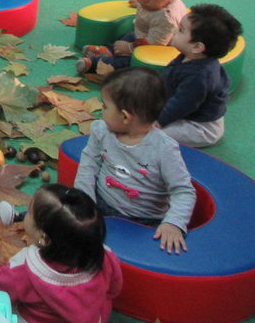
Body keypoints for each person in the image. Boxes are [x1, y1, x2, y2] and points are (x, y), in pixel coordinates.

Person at [73, 67, 196, 254]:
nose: (101, 110)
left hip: (144, 220)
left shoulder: (163, 149)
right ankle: (15, 216)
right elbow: (89, 163)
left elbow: (183, 190)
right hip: (100, 202)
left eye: (105, 106)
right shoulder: (101, 130)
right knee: (57, 212)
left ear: (125, 116)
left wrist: (173, 223)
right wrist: (85, 198)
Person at [0, 184, 122, 323]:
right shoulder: (105, 256)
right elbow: (114, 290)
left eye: (29, 213)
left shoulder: (27, 268)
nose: (27, 215)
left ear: (43, 238)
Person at [77, 0, 186, 75]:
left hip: (157, 47)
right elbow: (146, 0)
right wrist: (139, 4)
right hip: (144, 34)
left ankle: (97, 63)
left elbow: (155, 43)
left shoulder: (166, 18)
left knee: (128, 61)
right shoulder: (155, 1)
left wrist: (129, 47)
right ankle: (108, 50)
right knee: (127, 36)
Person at [157, 4, 242, 147]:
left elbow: (181, 105)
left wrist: (158, 122)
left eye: (181, 30)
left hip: (201, 128)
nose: (174, 32)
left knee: (149, 133)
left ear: (197, 47)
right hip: (188, 111)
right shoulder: (190, 56)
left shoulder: (198, 76)